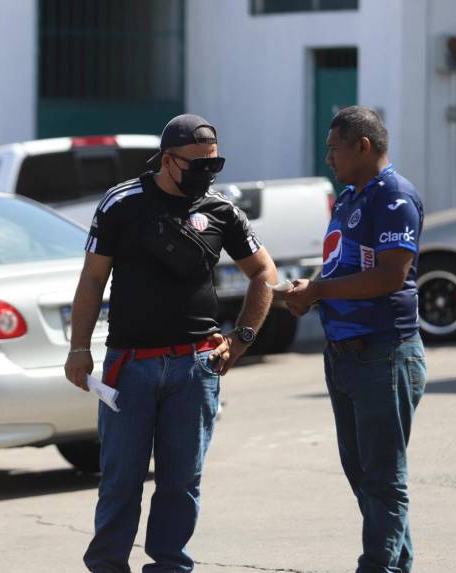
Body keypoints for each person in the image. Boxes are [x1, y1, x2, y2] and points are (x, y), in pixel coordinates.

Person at [64, 114, 278, 572]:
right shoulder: (122, 203)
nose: (207, 173)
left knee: (182, 482)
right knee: (121, 481)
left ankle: (169, 567)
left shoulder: (220, 210)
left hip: (196, 368)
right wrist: (79, 348)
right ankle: (107, 565)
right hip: (131, 366)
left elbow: (264, 272)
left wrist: (240, 340)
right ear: (167, 160)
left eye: (214, 163)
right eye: (197, 164)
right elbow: (92, 280)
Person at [279, 106, 427, 573]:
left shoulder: (394, 197)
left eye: (334, 148)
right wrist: (309, 290)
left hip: (384, 352)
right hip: (344, 356)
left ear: (363, 146)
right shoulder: (348, 199)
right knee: (363, 477)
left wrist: (319, 291)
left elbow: (389, 276)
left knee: (383, 480)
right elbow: (342, 266)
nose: (328, 158)